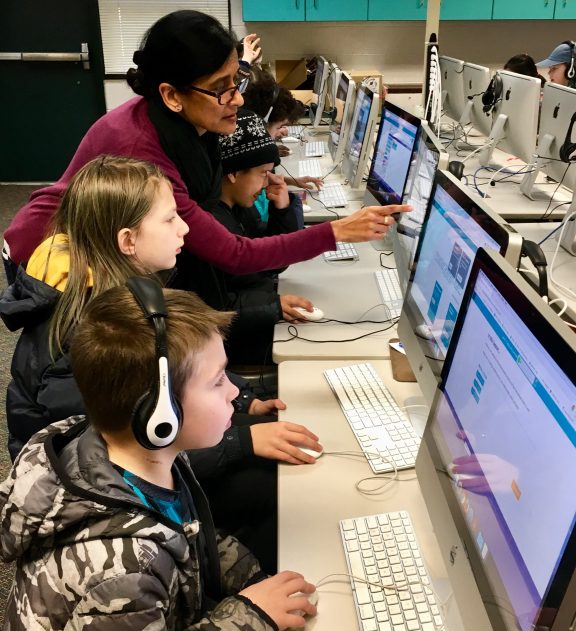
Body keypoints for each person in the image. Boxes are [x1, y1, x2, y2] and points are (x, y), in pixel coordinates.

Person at [0, 279, 318, 631]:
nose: (236, 391)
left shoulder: (129, 456)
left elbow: (191, 538)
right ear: (160, 416)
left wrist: (261, 580)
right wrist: (251, 620)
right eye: (218, 382)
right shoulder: (118, 568)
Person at [0, 156, 323, 572]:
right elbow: (120, 451)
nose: (185, 228)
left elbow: (174, 377)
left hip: (140, 444)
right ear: (128, 241)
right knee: (268, 482)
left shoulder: (125, 294)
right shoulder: (99, 334)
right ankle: (234, 588)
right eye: (170, 219)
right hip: (97, 489)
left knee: (270, 442)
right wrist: (240, 442)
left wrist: (242, 403)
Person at [4, 10, 406, 281]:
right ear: (172, 95)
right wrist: (337, 231)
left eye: (237, 80)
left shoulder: (187, 115)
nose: (237, 99)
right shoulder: (142, 154)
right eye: (221, 89)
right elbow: (234, 254)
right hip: (52, 258)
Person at [202, 110, 316, 364]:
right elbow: (211, 308)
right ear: (232, 173)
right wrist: (272, 306)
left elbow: (269, 260)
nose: (267, 183)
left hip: (251, 321)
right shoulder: (210, 225)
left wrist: (282, 209)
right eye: (263, 173)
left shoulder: (238, 208)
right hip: (232, 346)